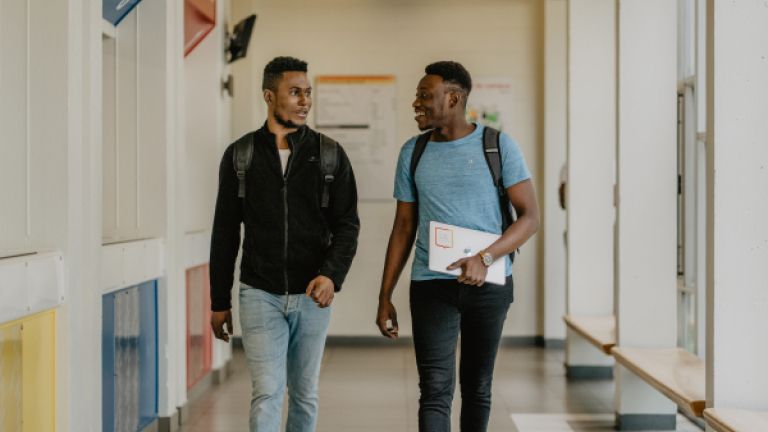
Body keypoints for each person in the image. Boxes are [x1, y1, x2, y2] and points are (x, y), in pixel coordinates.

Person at [375, 61, 539, 432]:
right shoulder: (412, 152)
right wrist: (385, 294)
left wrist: (485, 257)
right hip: (431, 285)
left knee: (477, 386)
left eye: (424, 95)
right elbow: (403, 226)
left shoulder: (497, 146)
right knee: (434, 389)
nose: (415, 103)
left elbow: (529, 217)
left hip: (490, 284)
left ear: (453, 97)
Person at [209, 56, 360, 432]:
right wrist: (219, 301)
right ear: (268, 96)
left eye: (308, 93)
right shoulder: (240, 156)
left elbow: (347, 225)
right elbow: (226, 232)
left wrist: (330, 275)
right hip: (259, 293)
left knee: (305, 394)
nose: (305, 101)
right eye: (295, 93)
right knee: (267, 393)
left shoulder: (329, 154)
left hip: (313, 295)